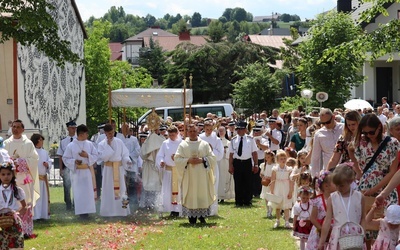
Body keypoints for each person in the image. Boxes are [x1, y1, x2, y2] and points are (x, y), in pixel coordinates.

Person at [174, 124, 216, 224]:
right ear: (187, 132)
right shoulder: (183, 145)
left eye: (194, 131)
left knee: (201, 193)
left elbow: (212, 157)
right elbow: (177, 158)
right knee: (191, 194)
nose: (192, 133)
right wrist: (188, 160)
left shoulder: (204, 144)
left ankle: (202, 216)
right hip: (189, 175)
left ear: (198, 132)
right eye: (190, 131)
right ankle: (191, 217)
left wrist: (202, 160)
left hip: (202, 175)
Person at [3, 119, 39, 237]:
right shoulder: (7, 143)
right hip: (10, 179)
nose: (15, 129)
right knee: (11, 202)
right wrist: (10, 162)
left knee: (25, 200)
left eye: (18, 127)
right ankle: (11, 228)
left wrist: (20, 162)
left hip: (23, 179)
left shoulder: (28, 143)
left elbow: (34, 160)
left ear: (23, 129)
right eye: (14, 126)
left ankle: (26, 230)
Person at [318, 164, 366, 250]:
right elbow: (327, 220)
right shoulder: (332, 198)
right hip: (338, 236)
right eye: (336, 185)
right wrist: (322, 241)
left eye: (341, 185)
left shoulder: (359, 197)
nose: (338, 188)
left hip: (356, 236)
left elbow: (363, 218)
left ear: (350, 181)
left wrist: (363, 234)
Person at [62, 124, 98, 218]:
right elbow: (65, 158)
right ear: (81, 134)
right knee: (79, 192)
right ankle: (81, 212)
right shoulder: (71, 146)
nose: (87, 135)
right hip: (76, 172)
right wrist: (74, 161)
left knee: (87, 191)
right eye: (86, 134)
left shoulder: (89, 144)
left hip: (86, 171)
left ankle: (87, 211)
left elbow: (96, 155)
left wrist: (87, 156)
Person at [97, 124, 131, 217]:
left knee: (122, 189)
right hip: (108, 169)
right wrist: (108, 146)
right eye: (109, 133)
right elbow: (103, 158)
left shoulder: (119, 142)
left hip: (119, 168)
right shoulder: (101, 144)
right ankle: (108, 211)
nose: (111, 135)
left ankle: (122, 211)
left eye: (112, 132)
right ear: (105, 133)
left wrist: (127, 161)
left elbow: (125, 154)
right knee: (108, 189)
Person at [228, 121, 258, 207]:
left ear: (245, 130)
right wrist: (230, 165)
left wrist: (255, 164)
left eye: (240, 129)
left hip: (247, 162)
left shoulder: (250, 139)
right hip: (237, 163)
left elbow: (254, 153)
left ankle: (247, 200)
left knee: (248, 182)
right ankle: (239, 201)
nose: (238, 131)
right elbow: (230, 154)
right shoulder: (233, 140)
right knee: (238, 182)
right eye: (237, 129)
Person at [156, 125, 182, 217]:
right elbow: (160, 155)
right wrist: (162, 162)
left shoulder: (181, 143)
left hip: (178, 171)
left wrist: (177, 158)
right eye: (170, 135)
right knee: (168, 190)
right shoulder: (165, 143)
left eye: (173, 135)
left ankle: (179, 209)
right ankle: (170, 209)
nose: (171, 137)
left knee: (179, 190)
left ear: (177, 133)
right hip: (168, 171)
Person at [0, 160, 27, 249]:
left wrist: (17, 213)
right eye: (3, 174)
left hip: (13, 221)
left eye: (8, 174)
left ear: (13, 175)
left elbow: (24, 206)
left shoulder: (17, 190)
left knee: (16, 243)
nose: (6, 177)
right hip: (1, 221)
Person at [199, 121, 224, 216]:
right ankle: (202, 208)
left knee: (213, 187)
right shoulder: (200, 138)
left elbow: (220, 155)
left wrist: (211, 150)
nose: (209, 131)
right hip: (201, 166)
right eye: (207, 129)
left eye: (210, 129)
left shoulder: (216, 139)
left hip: (212, 166)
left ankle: (212, 210)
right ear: (204, 128)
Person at [306, 171, 335, 250]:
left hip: (333, 231)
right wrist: (321, 229)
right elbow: (312, 218)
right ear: (326, 186)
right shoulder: (318, 200)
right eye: (334, 182)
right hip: (319, 231)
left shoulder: (337, 199)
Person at [310, 108, 344, 177]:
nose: (326, 125)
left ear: (333, 117)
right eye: (323, 123)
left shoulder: (344, 128)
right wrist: (315, 177)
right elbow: (315, 158)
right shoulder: (319, 134)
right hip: (329, 172)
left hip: (345, 171)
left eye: (328, 122)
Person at [326, 110, 361, 175]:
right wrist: (326, 173)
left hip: (362, 170)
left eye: (353, 124)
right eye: (348, 125)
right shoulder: (343, 138)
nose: (351, 127)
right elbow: (334, 159)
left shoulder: (365, 137)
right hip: (346, 173)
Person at [139, 130, 164, 210]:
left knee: (156, 184)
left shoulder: (162, 139)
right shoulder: (148, 140)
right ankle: (147, 203)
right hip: (148, 165)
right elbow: (143, 154)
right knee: (148, 184)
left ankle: (157, 203)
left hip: (157, 166)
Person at [268, 150, 293, 229]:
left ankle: (287, 222)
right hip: (277, 188)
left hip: (286, 187)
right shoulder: (275, 169)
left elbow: (291, 181)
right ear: (277, 160)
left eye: (284, 158)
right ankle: (277, 220)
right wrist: (272, 191)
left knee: (286, 206)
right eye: (281, 159)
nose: (283, 160)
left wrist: (290, 191)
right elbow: (272, 181)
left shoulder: (289, 169)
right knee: (278, 206)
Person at [56, 120, 77, 210]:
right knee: (67, 186)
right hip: (66, 166)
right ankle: (68, 204)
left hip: (76, 166)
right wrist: (61, 169)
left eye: (75, 128)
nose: (74, 129)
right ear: (68, 128)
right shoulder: (63, 141)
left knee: (76, 185)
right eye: (72, 128)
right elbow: (60, 156)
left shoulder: (78, 140)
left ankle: (76, 203)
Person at [31, 134, 51, 220]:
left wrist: (47, 164)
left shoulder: (44, 152)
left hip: (43, 179)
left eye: (42, 140)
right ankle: (35, 215)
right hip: (35, 179)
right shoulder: (32, 152)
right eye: (40, 140)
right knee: (36, 198)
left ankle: (43, 214)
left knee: (43, 198)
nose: (42, 142)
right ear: (36, 141)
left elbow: (49, 160)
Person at [217, 126, 235, 202]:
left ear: (225, 132)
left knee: (225, 178)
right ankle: (218, 195)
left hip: (225, 162)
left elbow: (231, 153)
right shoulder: (216, 141)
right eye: (219, 131)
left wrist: (225, 151)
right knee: (219, 179)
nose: (221, 132)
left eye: (222, 131)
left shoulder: (228, 142)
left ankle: (225, 195)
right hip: (218, 162)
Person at [293, 186, 314, 250]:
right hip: (301, 224)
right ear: (300, 196)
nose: (305, 200)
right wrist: (294, 225)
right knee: (302, 239)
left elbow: (312, 193)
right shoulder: (297, 206)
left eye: (307, 198)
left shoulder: (311, 204)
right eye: (303, 198)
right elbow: (295, 216)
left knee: (309, 238)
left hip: (309, 223)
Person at [260, 150, 275, 218]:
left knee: (271, 196)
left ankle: (270, 210)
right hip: (266, 183)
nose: (267, 159)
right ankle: (268, 210)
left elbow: (276, 175)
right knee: (266, 197)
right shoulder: (264, 165)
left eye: (268, 157)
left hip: (272, 183)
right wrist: (264, 177)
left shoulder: (274, 165)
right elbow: (261, 174)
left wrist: (270, 178)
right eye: (266, 157)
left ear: (272, 157)